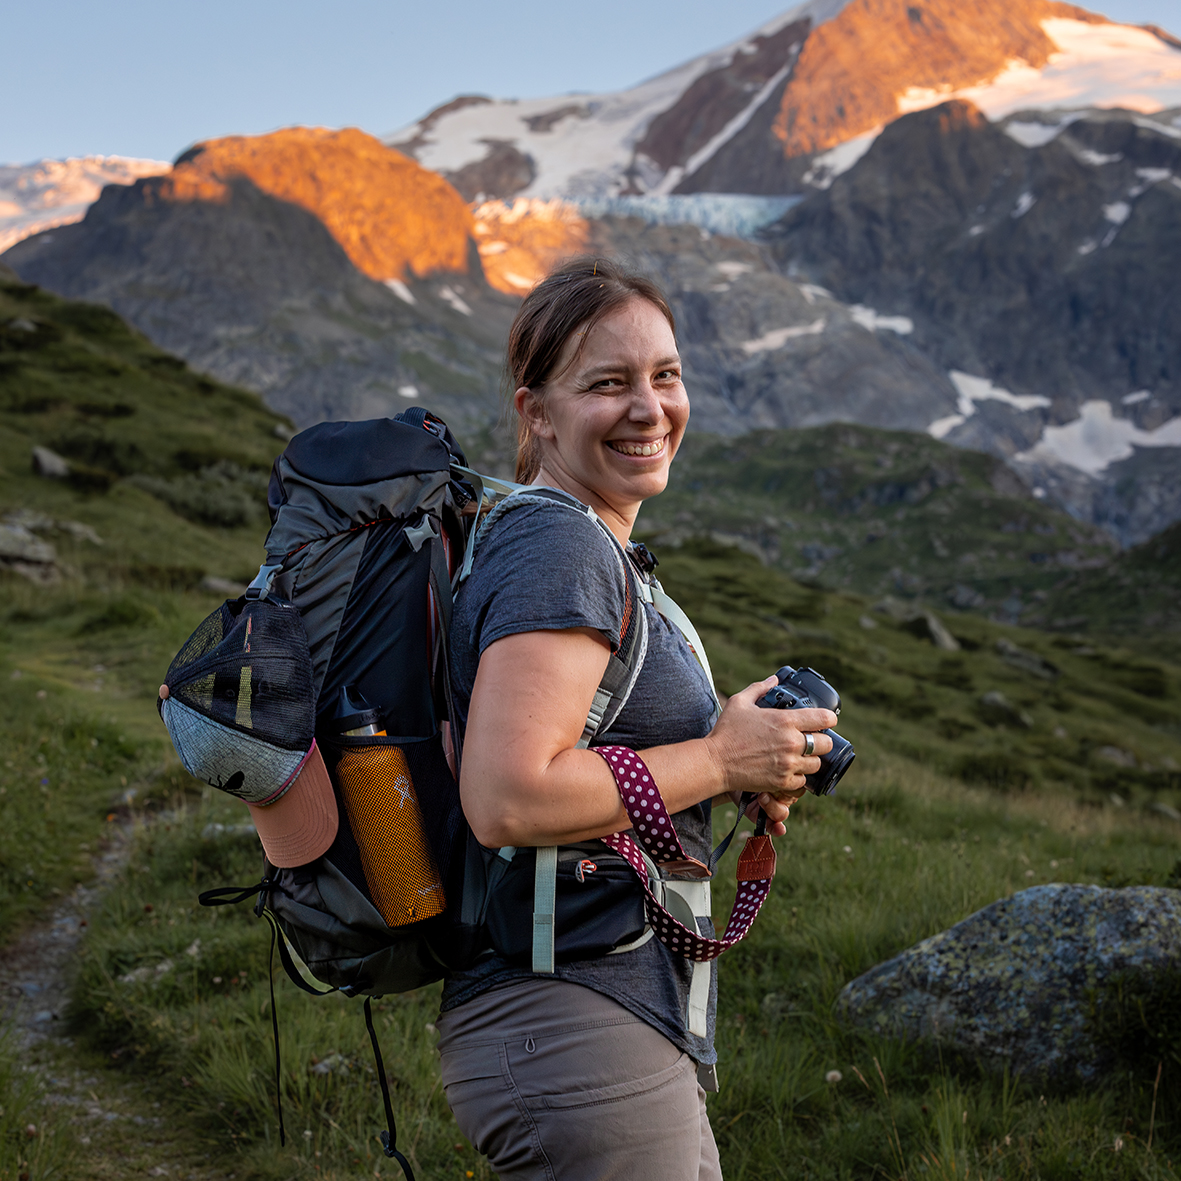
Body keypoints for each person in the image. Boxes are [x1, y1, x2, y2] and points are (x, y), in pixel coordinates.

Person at [437, 257, 837, 1180]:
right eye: (608, 383)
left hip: (607, 1017)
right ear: (536, 411)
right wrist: (718, 757)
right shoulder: (558, 543)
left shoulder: (589, 545)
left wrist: (741, 757)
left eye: (665, 375)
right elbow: (507, 795)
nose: (650, 408)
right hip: (568, 1021)